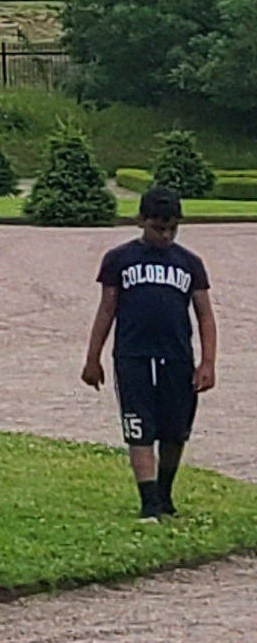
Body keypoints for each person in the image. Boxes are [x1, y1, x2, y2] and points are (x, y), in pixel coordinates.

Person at [84, 184, 218, 519]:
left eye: (173, 228)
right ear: (141, 221)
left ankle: (164, 495)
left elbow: (204, 314)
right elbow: (106, 310)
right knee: (139, 427)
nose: (166, 236)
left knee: (174, 430)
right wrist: (92, 358)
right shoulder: (119, 259)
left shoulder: (189, 263)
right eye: (159, 228)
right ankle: (149, 504)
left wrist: (208, 362)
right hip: (133, 355)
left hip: (177, 356)